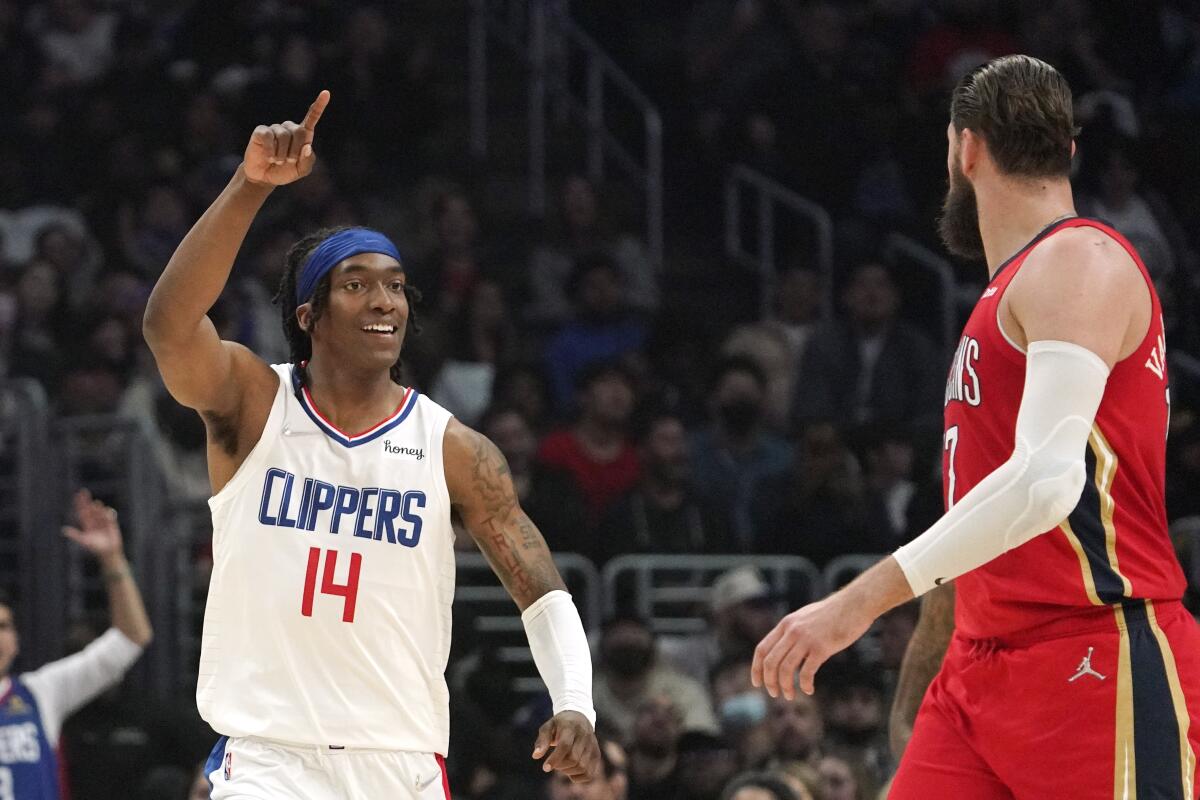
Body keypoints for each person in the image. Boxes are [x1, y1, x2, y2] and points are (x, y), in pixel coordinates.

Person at [751, 55, 1200, 797]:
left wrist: (853, 604)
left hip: (1095, 651)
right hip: (980, 669)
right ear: (1069, 153)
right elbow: (983, 519)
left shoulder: (1077, 259)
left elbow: (1045, 485)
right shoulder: (1014, 290)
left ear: (965, 148)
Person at [142, 91, 600, 799]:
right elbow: (170, 324)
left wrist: (574, 700)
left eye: (395, 286)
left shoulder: (454, 448)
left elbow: (538, 588)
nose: (385, 301)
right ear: (309, 315)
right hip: (271, 761)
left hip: (401, 762)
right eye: (356, 285)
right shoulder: (253, 402)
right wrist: (250, 185)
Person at [0, 489, 153, 799]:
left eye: (3, 627)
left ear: (16, 641)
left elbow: (131, 638)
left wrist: (112, 558)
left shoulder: (39, 692)